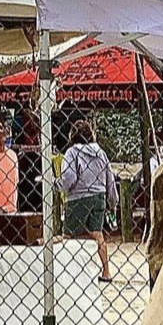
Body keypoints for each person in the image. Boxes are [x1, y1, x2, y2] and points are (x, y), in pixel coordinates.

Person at [59, 117, 118, 281]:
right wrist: (112, 201)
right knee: (98, 235)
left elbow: (69, 177)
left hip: (78, 197)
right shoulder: (101, 152)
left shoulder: (72, 152)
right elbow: (110, 178)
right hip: (99, 197)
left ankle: (68, 272)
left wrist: (58, 186)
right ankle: (106, 272)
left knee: (68, 235)